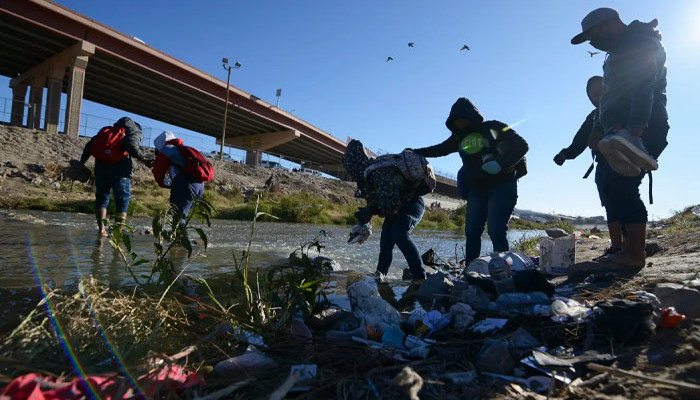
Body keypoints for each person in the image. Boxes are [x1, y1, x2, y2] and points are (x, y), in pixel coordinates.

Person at [571, 8, 669, 268]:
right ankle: (627, 250)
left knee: (622, 185)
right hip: (621, 129)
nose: (593, 43)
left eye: (593, 37)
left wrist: (636, 130)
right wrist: (603, 128)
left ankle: (634, 254)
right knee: (614, 187)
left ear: (608, 26)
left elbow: (642, 85)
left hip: (642, 126)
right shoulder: (617, 50)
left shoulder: (638, 43)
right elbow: (614, 97)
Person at [413, 98, 528, 264]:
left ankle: (505, 271)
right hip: (477, 190)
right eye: (456, 121)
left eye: (462, 119)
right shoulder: (459, 138)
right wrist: (415, 151)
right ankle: (470, 271)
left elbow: (522, 145)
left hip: (502, 185)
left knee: (496, 230)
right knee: (472, 232)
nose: (459, 124)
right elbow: (440, 149)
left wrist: (500, 164)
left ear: (471, 116)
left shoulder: (493, 127)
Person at [554, 76, 624, 258]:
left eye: (603, 91)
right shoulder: (592, 117)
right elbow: (579, 141)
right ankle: (617, 245)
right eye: (595, 94)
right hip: (603, 164)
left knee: (627, 200)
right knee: (610, 202)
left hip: (625, 160)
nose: (600, 96)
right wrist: (565, 154)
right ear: (591, 98)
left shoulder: (624, 106)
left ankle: (632, 244)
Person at [343, 140, 427, 282]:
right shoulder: (365, 176)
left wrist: (371, 210)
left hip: (411, 203)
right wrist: (365, 219)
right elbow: (377, 202)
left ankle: (420, 277)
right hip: (396, 207)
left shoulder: (378, 171)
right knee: (386, 241)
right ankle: (380, 274)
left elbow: (390, 203)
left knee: (399, 234)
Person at [79, 117, 146, 237]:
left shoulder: (106, 132)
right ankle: (118, 233)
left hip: (101, 169)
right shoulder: (133, 131)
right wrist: (143, 158)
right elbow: (131, 146)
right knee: (122, 201)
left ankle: (101, 230)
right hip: (121, 172)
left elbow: (90, 145)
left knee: (102, 199)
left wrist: (81, 162)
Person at [151, 131, 206, 224]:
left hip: (185, 186)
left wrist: (163, 184)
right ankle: (183, 236)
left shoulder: (166, 149)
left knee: (177, 219)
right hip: (200, 186)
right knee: (183, 216)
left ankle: (180, 237)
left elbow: (158, 171)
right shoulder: (181, 150)